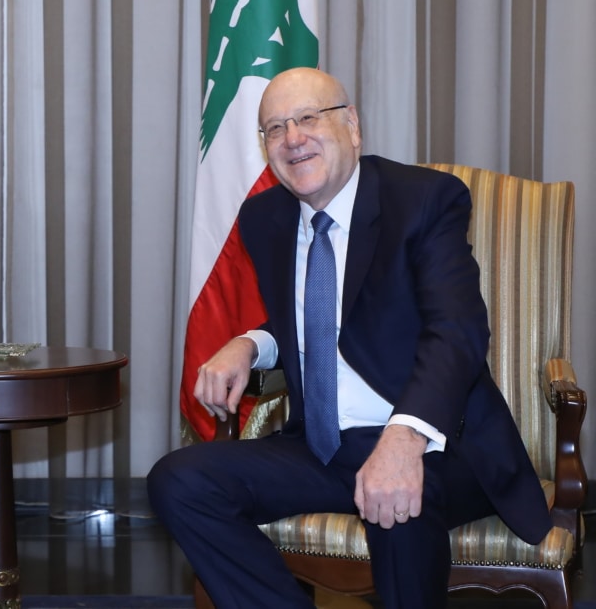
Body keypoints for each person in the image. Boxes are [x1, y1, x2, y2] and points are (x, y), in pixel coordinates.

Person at [148, 67, 550, 608]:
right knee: (179, 481)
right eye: (274, 128)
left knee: (398, 497)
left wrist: (403, 439)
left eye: (309, 117)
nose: (293, 138)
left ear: (353, 126)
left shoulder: (422, 200)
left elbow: (456, 330)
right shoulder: (264, 217)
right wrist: (251, 343)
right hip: (318, 447)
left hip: (435, 444)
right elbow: (321, 317)